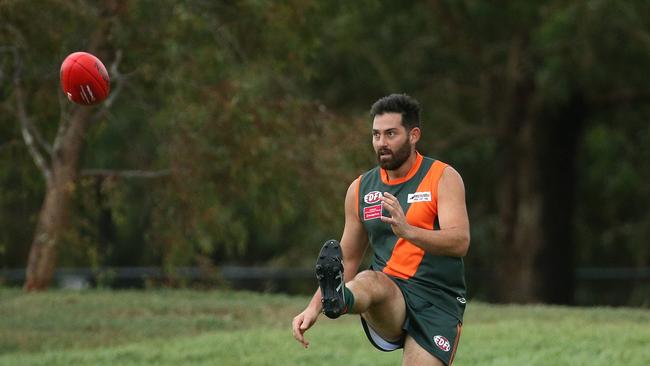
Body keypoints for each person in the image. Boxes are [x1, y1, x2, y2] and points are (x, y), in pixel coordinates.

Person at [291, 93, 470, 366]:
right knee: (371, 280)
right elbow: (347, 257)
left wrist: (409, 231)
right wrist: (314, 307)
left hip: (438, 301)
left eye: (390, 134)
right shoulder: (360, 189)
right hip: (391, 295)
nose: (381, 143)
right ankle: (340, 301)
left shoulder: (443, 177)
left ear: (414, 135)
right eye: (376, 135)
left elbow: (460, 242)